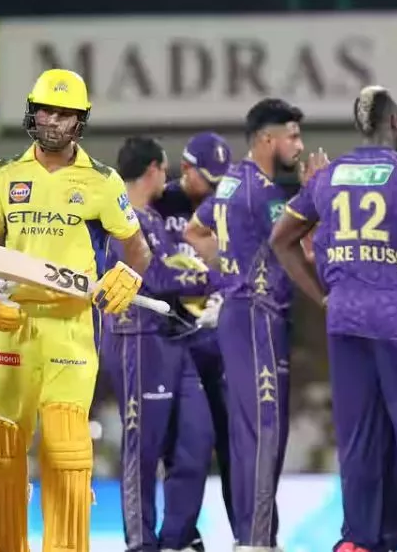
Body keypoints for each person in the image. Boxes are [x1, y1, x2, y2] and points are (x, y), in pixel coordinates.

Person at [270, 88, 397, 552]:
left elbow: (281, 238)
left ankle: (357, 539)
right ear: (396, 124)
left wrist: (323, 297)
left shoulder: (329, 177)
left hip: (344, 320)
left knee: (357, 437)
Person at [0, 69, 152, 552]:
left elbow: (137, 250)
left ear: (80, 121)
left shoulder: (101, 181)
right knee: (0, 449)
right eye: (45, 111)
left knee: (66, 449)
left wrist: (126, 276)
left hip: (70, 326)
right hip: (10, 327)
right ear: (31, 113)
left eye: (64, 113)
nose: (52, 121)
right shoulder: (5, 174)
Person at [183, 98, 320, 551]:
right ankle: (258, 541)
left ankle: (253, 536)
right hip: (259, 314)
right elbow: (302, 251)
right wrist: (313, 197)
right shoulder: (262, 194)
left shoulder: (231, 183)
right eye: (292, 136)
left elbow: (194, 231)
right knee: (265, 431)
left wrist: (227, 273)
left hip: (241, 313)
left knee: (250, 432)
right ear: (266, 139)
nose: (299, 146)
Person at [101, 136, 216, 552]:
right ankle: (141, 543)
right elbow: (158, 277)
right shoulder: (118, 219)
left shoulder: (152, 218)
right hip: (137, 339)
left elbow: (173, 273)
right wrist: (209, 279)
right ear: (152, 170)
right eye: (164, 169)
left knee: (197, 441)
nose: (166, 178)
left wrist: (200, 284)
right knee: (143, 451)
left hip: (176, 337)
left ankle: (177, 539)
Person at [152, 131, 236, 552]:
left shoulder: (225, 207)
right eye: (209, 179)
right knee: (182, 444)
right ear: (186, 169)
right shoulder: (159, 202)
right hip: (171, 338)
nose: (216, 188)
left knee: (229, 443)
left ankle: (248, 536)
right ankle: (181, 535)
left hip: (215, 339)